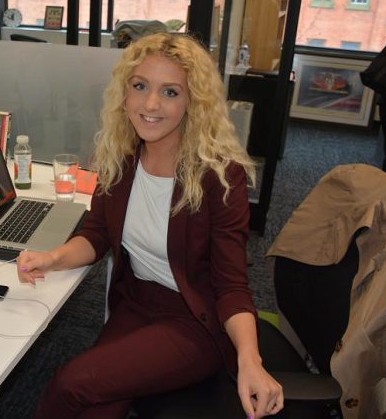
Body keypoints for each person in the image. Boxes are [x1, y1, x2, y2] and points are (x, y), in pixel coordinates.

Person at [16, 33, 284, 419]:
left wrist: (250, 359)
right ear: (124, 94)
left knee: (72, 382)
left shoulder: (219, 176)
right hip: (135, 303)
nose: (151, 104)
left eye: (170, 92)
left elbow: (232, 284)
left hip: (194, 320)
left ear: (194, 102)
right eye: (140, 86)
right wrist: (53, 257)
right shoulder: (120, 157)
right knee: (99, 408)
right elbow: (97, 234)